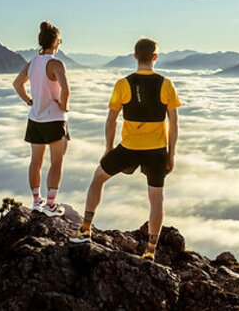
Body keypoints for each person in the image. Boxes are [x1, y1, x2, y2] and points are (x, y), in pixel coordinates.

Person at [70, 38, 180, 261]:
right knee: (156, 199)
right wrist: (171, 154)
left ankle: (85, 229)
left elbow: (111, 120)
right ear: (155, 57)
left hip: (129, 147)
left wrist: (108, 148)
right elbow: (174, 123)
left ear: (135, 56)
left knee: (98, 178)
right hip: (157, 150)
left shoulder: (123, 84)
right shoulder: (166, 84)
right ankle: (150, 250)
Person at [12, 21, 70, 217]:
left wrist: (30, 101)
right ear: (54, 41)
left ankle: (37, 202)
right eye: (59, 40)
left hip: (35, 119)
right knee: (57, 162)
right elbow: (66, 90)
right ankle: (50, 204)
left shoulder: (33, 63)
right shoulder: (56, 64)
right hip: (54, 119)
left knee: (35, 161)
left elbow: (17, 83)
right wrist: (64, 106)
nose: (60, 43)